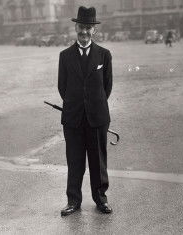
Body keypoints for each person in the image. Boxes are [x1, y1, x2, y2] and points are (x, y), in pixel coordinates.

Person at [58, 6, 113, 216]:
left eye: (88, 28)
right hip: (73, 118)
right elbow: (62, 87)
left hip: (97, 117)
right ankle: (73, 200)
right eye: (81, 27)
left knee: (98, 161)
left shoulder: (104, 55)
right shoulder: (65, 56)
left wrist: (92, 105)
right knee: (74, 160)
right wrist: (76, 105)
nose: (84, 32)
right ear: (76, 27)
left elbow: (106, 87)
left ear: (94, 30)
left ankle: (101, 199)